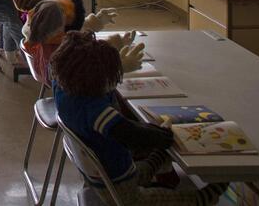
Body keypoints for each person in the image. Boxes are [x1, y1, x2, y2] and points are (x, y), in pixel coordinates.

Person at [51, 31, 226, 206]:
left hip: (104, 171)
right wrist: (162, 136)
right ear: (95, 80)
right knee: (155, 200)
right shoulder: (93, 110)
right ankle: (205, 198)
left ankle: (156, 160)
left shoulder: (64, 88)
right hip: (116, 186)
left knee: (144, 165)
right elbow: (130, 134)